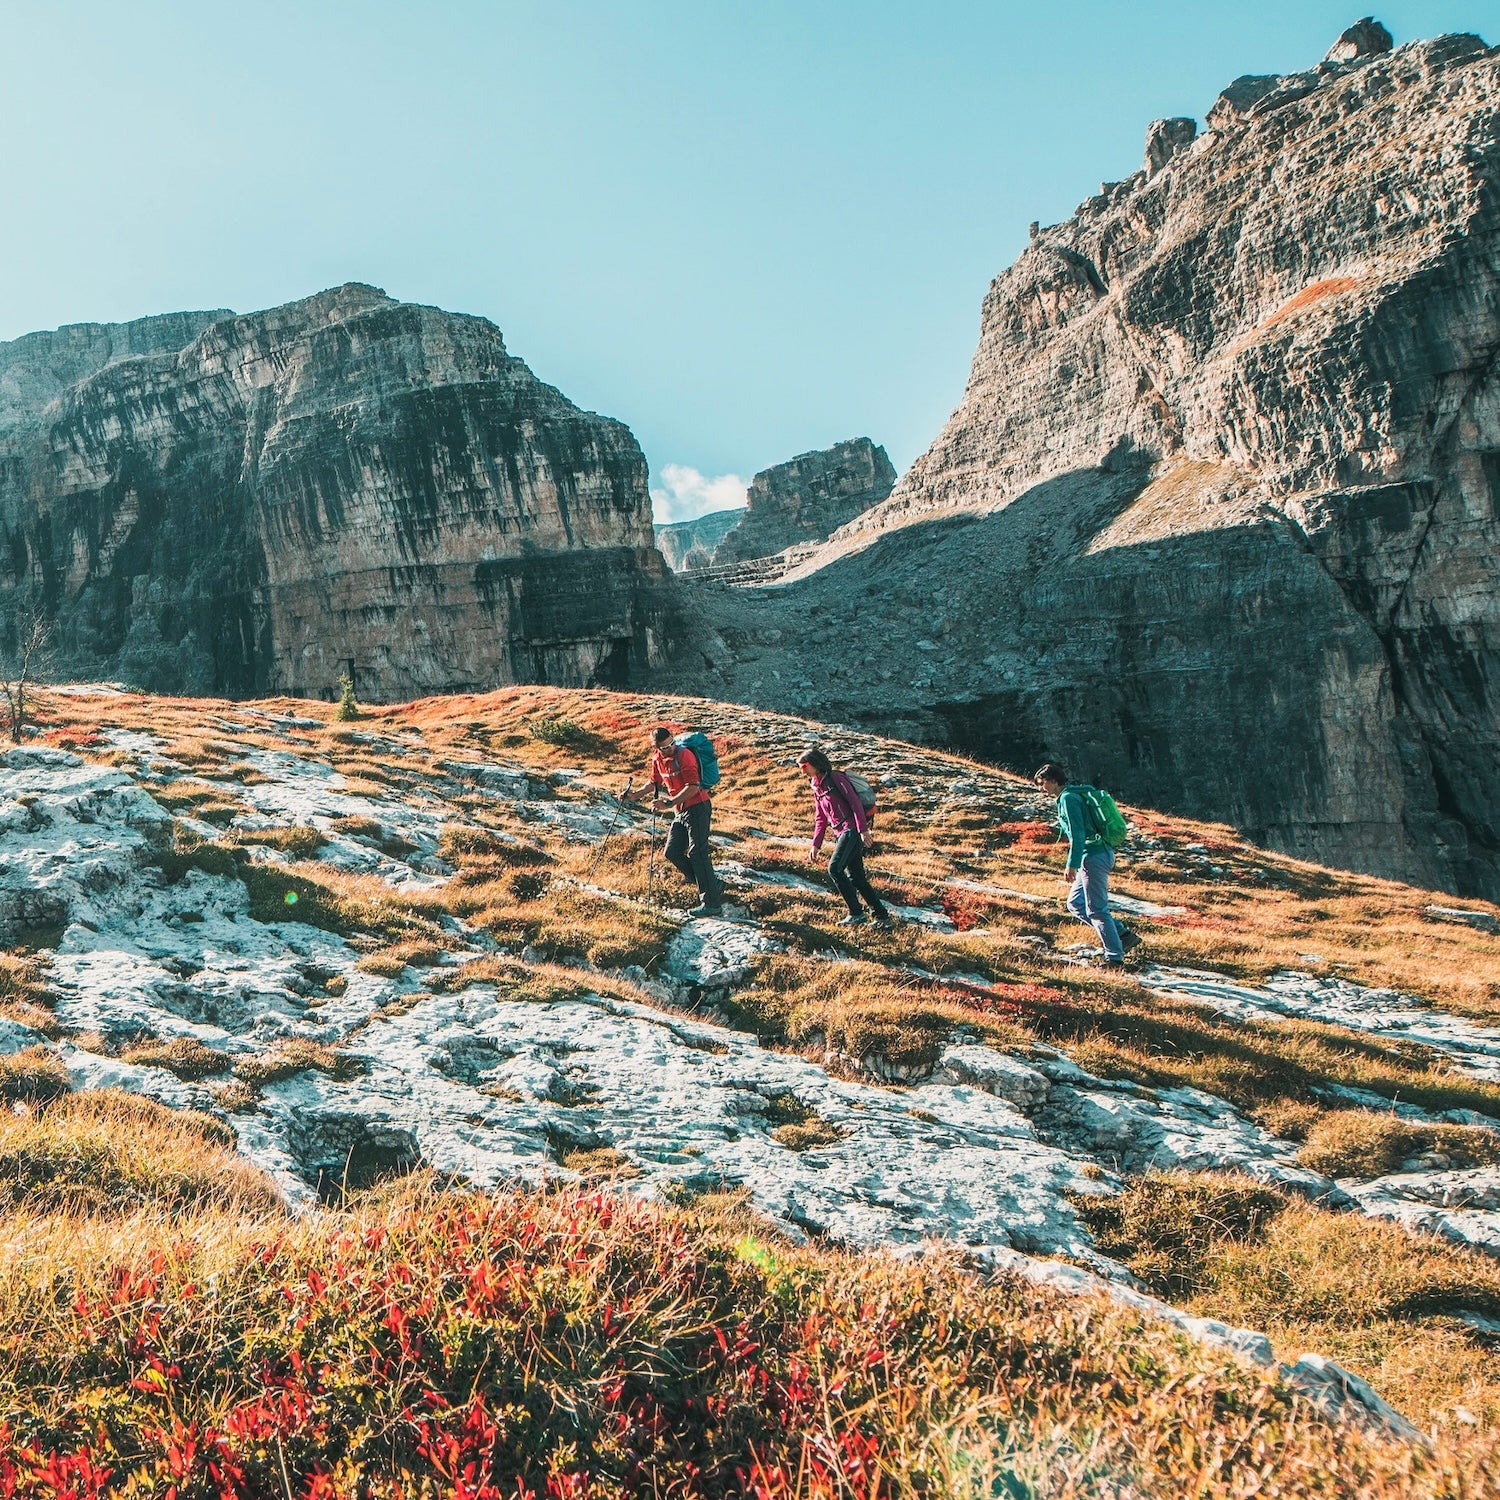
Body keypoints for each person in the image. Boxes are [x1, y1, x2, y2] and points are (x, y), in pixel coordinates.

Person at [1034, 761, 1140, 965]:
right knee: (1075, 903)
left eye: (1043, 783)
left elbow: (1078, 833)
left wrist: (1071, 864)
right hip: (1095, 855)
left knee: (1097, 909)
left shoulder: (1068, 799)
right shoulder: (1072, 795)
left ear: (1054, 781)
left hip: (1093, 857)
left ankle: (1115, 958)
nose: (1041, 788)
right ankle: (1122, 935)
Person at [627, 726, 724, 916]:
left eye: (672, 743)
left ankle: (712, 904)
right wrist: (634, 795)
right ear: (656, 748)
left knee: (698, 852)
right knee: (672, 852)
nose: (671, 748)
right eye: (665, 747)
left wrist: (669, 802)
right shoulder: (657, 760)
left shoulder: (684, 755)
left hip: (698, 807)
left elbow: (694, 787)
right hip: (682, 811)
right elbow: (654, 782)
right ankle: (713, 885)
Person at [797, 747, 893, 928]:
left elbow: (855, 804)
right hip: (840, 832)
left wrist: (863, 830)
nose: (802, 771)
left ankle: (857, 914)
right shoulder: (816, 785)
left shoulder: (837, 778)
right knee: (857, 878)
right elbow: (820, 817)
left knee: (834, 869)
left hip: (852, 830)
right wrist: (815, 845)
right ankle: (882, 917)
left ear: (816, 763)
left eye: (804, 766)